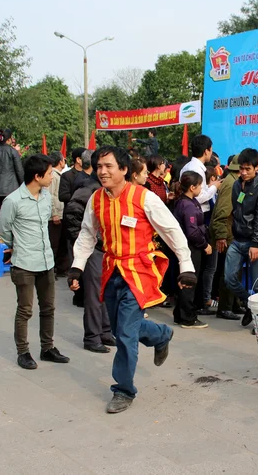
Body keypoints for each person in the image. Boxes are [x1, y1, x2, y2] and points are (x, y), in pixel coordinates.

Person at [68, 146, 196, 414]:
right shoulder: (96, 200)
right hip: (111, 269)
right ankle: (161, 334)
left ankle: (124, 390)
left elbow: (172, 230)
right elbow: (87, 234)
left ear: (124, 170)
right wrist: (77, 267)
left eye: (108, 166)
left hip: (139, 271)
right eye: (99, 166)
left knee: (125, 334)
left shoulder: (144, 198)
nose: (102, 171)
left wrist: (186, 265)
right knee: (120, 329)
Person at [0, 154, 70, 370]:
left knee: (48, 308)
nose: (51, 177)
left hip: (46, 261)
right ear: (37, 176)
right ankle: (23, 352)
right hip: (24, 263)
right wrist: (17, 244)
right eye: (49, 174)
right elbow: (3, 229)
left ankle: (47, 348)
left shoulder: (46, 196)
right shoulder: (13, 201)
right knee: (25, 309)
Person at [63, 151, 115, 353]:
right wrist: (85, 244)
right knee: (94, 295)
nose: (106, 170)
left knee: (105, 293)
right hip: (93, 249)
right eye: (104, 166)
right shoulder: (89, 190)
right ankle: (92, 337)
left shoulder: (104, 189)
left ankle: (105, 331)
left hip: (104, 249)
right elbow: (72, 216)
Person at [224, 148, 258, 328]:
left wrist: (255, 244)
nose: (243, 173)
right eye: (241, 169)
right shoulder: (237, 185)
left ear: (256, 167)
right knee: (229, 279)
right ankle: (250, 304)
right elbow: (236, 211)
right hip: (237, 240)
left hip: (254, 242)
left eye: (247, 169)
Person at [172, 171, 212, 329]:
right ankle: (188, 318)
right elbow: (192, 231)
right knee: (189, 282)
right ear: (192, 187)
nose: (201, 188)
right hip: (191, 247)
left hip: (188, 246)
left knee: (184, 280)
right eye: (200, 185)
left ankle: (179, 314)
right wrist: (204, 244)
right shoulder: (187, 205)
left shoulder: (188, 201)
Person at [209, 154, 242, 321]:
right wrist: (221, 235)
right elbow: (222, 212)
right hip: (227, 234)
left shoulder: (235, 181)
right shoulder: (231, 184)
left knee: (235, 271)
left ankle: (234, 304)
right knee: (229, 271)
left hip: (233, 233)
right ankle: (225, 308)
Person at [48, 151, 71, 277]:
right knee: (54, 245)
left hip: (60, 214)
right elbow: (50, 196)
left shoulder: (59, 176)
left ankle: (60, 269)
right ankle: (51, 271)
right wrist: (54, 213)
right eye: (64, 159)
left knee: (60, 244)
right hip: (55, 215)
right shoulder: (52, 176)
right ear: (60, 161)